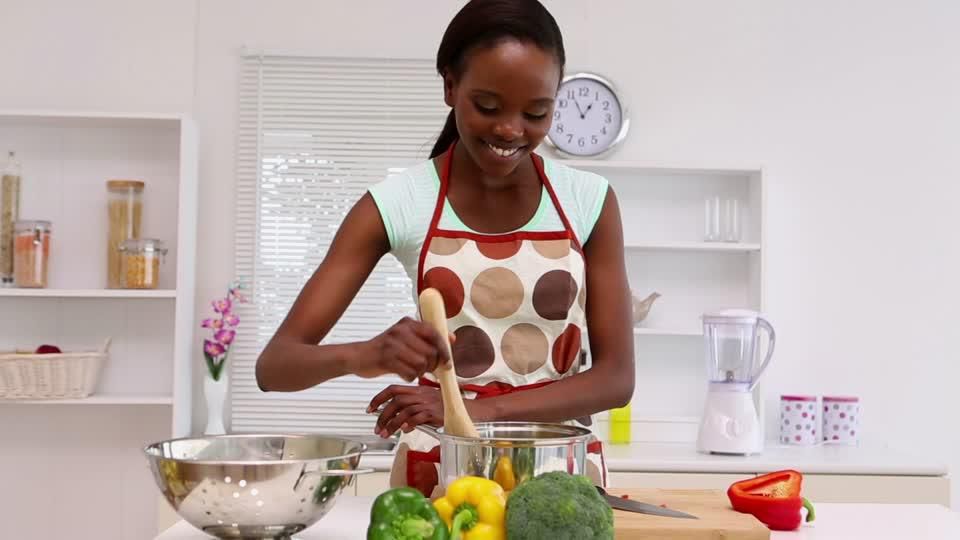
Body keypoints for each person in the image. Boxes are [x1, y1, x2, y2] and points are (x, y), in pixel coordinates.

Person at [255, 0, 634, 497]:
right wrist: (369, 354)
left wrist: (478, 411)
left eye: (536, 112)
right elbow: (276, 366)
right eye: (488, 107)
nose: (510, 130)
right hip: (443, 473)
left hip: (555, 472)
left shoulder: (589, 203)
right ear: (450, 87)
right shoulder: (398, 203)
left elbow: (616, 379)